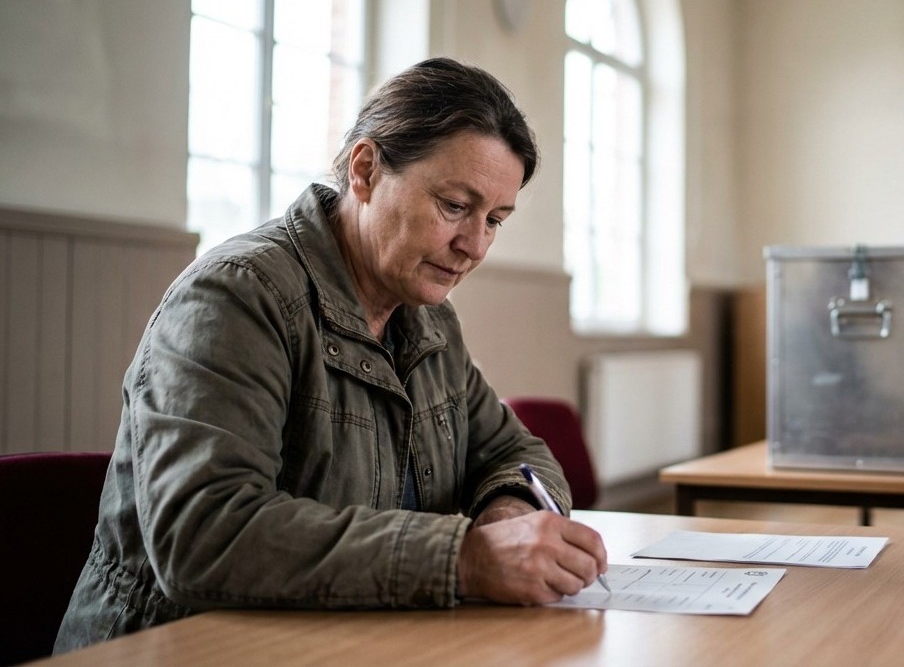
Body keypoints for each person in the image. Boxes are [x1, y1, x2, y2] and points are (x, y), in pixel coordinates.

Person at [55, 58, 608, 652]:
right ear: (365, 170)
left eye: (494, 220)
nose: (474, 246)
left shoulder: (430, 321)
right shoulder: (236, 295)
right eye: (454, 206)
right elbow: (204, 535)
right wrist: (464, 559)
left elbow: (514, 451)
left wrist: (509, 511)